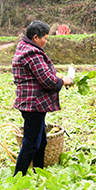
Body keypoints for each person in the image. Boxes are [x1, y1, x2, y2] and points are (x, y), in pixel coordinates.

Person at [12, 20, 73, 174]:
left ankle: (38, 172)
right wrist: (62, 81)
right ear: (35, 37)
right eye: (45, 38)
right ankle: (18, 176)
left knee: (41, 140)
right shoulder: (31, 52)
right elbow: (47, 80)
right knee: (31, 143)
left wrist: (56, 76)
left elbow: (40, 73)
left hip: (34, 103)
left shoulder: (25, 47)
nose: (46, 41)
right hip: (33, 103)